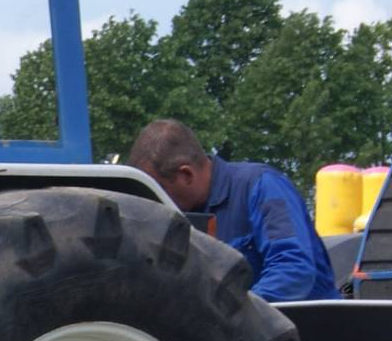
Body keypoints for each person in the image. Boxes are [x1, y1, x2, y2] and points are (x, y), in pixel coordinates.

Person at [128, 119, 338, 301]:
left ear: (187, 175)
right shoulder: (183, 216)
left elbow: (294, 269)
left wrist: (237, 314)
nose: (157, 203)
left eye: (160, 190)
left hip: (309, 336)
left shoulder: (262, 186)